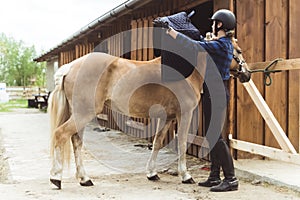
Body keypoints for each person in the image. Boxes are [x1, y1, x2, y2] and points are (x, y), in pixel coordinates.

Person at [153, 9, 239, 192]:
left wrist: (171, 32)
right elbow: (201, 43)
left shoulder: (222, 45)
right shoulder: (219, 43)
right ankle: (215, 175)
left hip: (215, 92)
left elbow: (194, 45)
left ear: (220, 24)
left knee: (216, 137)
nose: (212, 26)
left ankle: (231, 179)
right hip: (211, 92)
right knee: (211, 136)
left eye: (214, 23)